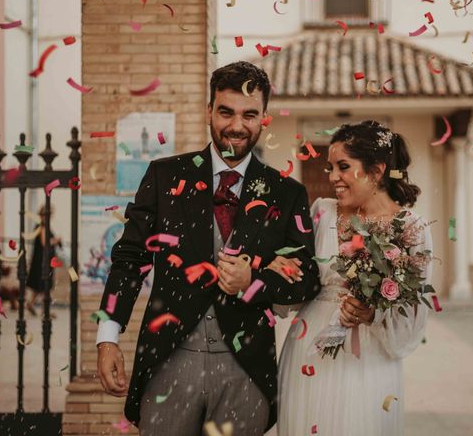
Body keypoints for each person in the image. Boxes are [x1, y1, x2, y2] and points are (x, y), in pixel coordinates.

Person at [95, 61, 321, 436]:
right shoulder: (164, 176)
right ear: (209, 112)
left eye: (249, 114)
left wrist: (254, 281)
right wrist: (107, 337)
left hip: (245, 371)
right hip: (169, 361)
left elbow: (307, 278)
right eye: (226, 112)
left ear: (264, 118)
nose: (236, 125)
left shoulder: (287, 192)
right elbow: (129, 260)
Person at [276, 120, 434, 435]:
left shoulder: (411, 227)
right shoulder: (322, 212)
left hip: (370, 357)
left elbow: (413, 310)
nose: (333, 177)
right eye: (331, 167)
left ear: (376, 171)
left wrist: (373, 312)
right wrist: (282, 270)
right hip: (309, 345)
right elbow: (300, 277)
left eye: (343, 167)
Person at [26, 204, 62, 317]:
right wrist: (56, 240)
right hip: (42, 262)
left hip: (43, 260)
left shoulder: (43, 226)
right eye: (49, 215)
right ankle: (45, 311)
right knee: (45, 286)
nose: (50, 217)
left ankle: (31, 304)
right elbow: (44, 242)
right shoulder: (42, 227)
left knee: (40, 286)